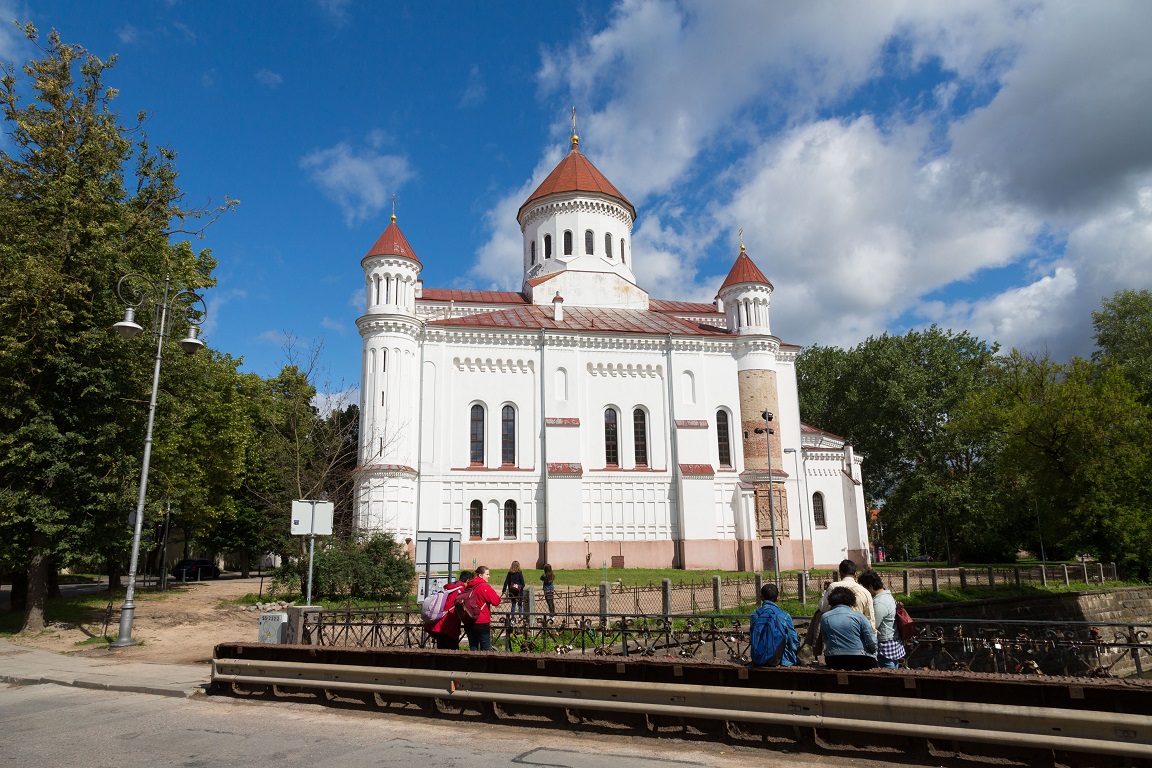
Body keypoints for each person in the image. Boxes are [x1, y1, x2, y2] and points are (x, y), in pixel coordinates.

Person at [820, 586, 878, 670]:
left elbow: (826, 639)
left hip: (833, 660)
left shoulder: (825, 617)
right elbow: (872, 642)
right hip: (860, 659)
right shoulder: (859, 617)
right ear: (851, 601)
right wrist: (872, 652)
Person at [858, 569, 906, 669]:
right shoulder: (888, 596)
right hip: (893, 640)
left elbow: (872, 626)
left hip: (885, 644)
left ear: (870, 587)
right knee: (894, 670)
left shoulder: (879, 603)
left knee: (888, 674)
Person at [749, 583, 799, 666]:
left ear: (761, 598)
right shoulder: (784, 616)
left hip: (758, 659)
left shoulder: (755, 615)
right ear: (778, 598)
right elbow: (793, 643)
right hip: (781, 660)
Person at [817, 559, 876, 629]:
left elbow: (823, 607)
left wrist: (825, 592)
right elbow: (870, 618)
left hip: (835, 631)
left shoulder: (833, 587)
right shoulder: (865, 592)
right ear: (855, 574)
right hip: (857, 632)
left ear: (840, 574)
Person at [426, 570, 471, 650]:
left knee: (441, 650)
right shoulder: (460, 591)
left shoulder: (451, 588)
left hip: (439, 623)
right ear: (468, 580)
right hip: (449, 626)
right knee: (452, 652)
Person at [462, 565, 501, 651]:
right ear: (480, 575)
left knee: (473, 648)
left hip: (469, 620)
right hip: (481, 621)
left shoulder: (469, 586)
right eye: (487, 574)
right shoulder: (483, 586)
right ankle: (483, 664)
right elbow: (496, 601)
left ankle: (474, 664)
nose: (489, 576)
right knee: (485, 650)